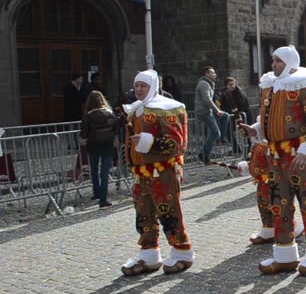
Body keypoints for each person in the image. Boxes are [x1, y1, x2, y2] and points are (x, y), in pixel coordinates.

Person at [237, 46, 306, 276]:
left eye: (278, 61)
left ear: (289, 62)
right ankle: (285, 254)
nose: (273, 64)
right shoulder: (271, 86)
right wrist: (256, 130)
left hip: (300, 155)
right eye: (273, 60)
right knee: (280, 203)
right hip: (276, 156)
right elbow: (268, 119)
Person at [120, 70, 194, 276]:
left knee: (168, 211)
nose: (139, 90)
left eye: (143, 86)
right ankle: (149, 253)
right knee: (143, 213)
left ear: (152, 86)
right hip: (141, 172)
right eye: (136, 86)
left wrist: (149, 143)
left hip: (163, 171)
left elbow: (178, 143)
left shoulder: (168, 108)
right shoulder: (135, 110)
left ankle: (182, 250)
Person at [80, 90, 117, 208]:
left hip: (93, 145)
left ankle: (96, 193)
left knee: (94, 170)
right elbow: (115, 129)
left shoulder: (88, 115)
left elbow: (84, 133)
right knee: (104, 172)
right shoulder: (110, 113)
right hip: (107, 144)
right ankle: (103, 199)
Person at [195, 66, 230, 164]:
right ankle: (203, 154)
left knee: (225, 116)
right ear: (206, 74)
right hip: (204, 112)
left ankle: (222, 138)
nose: (215, 74)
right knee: (215, 132)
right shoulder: (204, 83)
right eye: (212, 73)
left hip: (209, 110)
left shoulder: (209, 84)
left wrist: (217, 110)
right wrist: (216, 110)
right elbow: (207, 99)